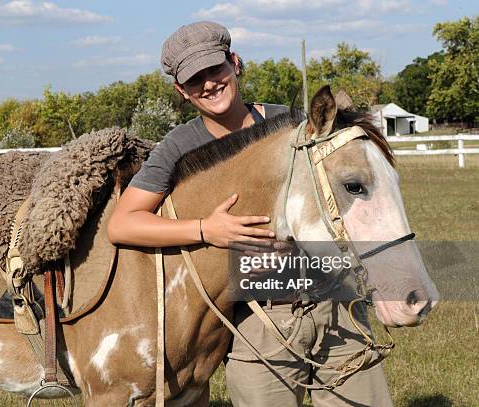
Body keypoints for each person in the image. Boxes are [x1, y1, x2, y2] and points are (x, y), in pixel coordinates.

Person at [107, 21, 393, 407]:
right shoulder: (180, 146)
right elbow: (123, 223)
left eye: (215, 70)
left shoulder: (293, 125)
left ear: (235, 63)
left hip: (336, 303)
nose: (209, 84)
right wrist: (207, 230)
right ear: (181, 90)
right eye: (195, 80)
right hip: (260, 319)